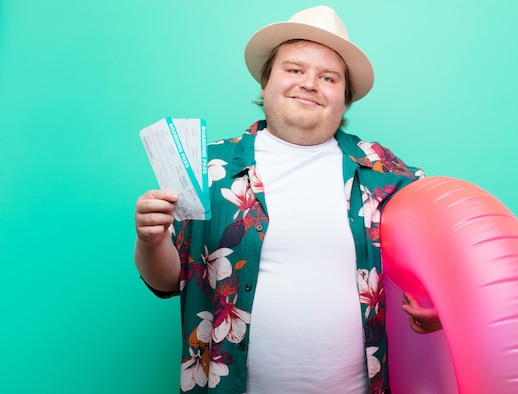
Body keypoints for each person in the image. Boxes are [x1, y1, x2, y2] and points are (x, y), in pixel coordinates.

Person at [134, 5, 441, 394]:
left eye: (327, 77)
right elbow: (167, 281)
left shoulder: (381, 168)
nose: (309, 83)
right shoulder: (208, 166)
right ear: (265, 84)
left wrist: (440, 304)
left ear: (344, 99)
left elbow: (440, 244)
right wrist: (151, 239)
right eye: (294, 70)